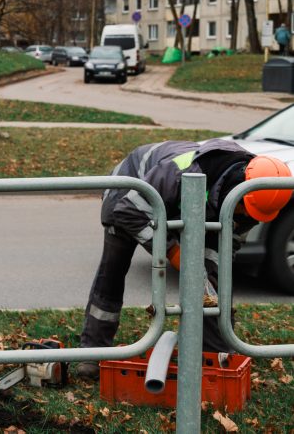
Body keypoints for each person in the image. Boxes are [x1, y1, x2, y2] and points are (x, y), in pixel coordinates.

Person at [75, 139, 291, 380]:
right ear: (237, 184)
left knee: (211, 284)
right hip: (131, 191)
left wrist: (211, 284)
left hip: (186, 203)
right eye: (242, 208)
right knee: (113, 269)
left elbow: (226, 246)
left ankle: (213, 355)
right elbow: (129, 211)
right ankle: (92, 352)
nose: (243, 215)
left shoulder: (253, 196)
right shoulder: (185, 171)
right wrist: (173, 251)